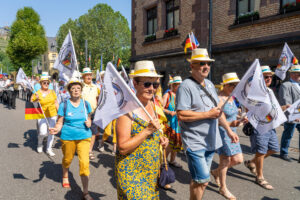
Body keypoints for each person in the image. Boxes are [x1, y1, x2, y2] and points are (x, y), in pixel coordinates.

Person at [176, 48, 239, 200]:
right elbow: (181, 114)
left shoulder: (210, 84)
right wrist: (207, 114)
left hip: (211, 141)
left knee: (199, 180)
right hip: (195, 141)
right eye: (201, 63)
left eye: (208, 63)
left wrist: (229, 130)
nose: (206, 66)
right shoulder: (185, 86)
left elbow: (218, 112)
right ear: (192, 66)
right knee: (203, 180)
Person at [115, 60, 169, 199]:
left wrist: (162, 140)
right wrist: (147, 131)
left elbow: (155, 132)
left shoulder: (153, 104)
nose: (152, 88)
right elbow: (122, 147)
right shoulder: (126, 110)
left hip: (151, 171)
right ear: (135, 84)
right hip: (131, 172)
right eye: (147, 84)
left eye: (155, 84)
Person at [244, 66, 289, 190]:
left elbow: (273, 107)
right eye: (266, 76)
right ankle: (259, 177)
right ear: (259, 79)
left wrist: (284, 107)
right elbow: (249, 108)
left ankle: (252, 162)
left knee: (274, 148)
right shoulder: (254, 92)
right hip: (260, 126)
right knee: (261, 151)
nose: (269, 78)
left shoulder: (269, 91)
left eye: (270, 76)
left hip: (270, 125)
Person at [49, 77, 94, 200]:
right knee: (67, 159)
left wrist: (89, 122)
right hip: (68, 137)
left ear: (81, 90)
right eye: (73, 88)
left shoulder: (86, 104)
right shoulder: (64, 105)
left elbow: (89, 117)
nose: (76, 90)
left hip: (84, 136)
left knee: (84, 163)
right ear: (69, 91)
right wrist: (57, 129)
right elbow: (60, 122)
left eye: (78, 88)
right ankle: (65, 174)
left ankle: (85, 192)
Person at [211, 72, 245, 200]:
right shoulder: (219, 99)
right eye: (231, 85)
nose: (234, 87)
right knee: (225, 160)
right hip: (223, 132)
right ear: (224, 85)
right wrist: (231, 124)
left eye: (236, 85)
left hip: (233, 131)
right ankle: (223, 188)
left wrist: (240, 119)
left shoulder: (233, 97)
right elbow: (219, 117)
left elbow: (233, 114)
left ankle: (215, 172)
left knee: (238, 159)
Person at [31, 72, 58, 156]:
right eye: (44, 83)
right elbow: (31, 101)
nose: (46, 84)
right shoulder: (37, 92)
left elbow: (56, 102)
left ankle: (49, 149)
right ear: (41, 83)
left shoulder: (52, 92)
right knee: (42, 132)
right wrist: (36, 99)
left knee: (51, 132)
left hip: (52, 113)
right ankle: (40, 144)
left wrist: (60, 113)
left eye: (47, 83)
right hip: (41, 114)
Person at [279, 65, 300, 163]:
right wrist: (294, 115)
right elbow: (286, 101)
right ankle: (284, 152)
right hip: (292, 114)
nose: (299, 75)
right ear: (291, 74)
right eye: (297, 73)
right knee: (288, 133)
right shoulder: (286, 85)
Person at [163, 76, 183, 168]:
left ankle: (172, 160)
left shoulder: (182, 96)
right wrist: (169, 112)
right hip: (169, 123)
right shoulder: (168, 95)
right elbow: (160, 108)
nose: (180, 87)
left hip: (178, 124)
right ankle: (163, 161)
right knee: (168, 144)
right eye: (178, 85)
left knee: (177, 142)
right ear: (174, 85)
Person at [81, 67, 100, 160]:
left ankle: (89, 150)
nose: (89, 77)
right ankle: (81, 149)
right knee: (83, 132)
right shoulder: (80, 86)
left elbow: (97, 98)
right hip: (83, 114)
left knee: (93, 133)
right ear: (83, 77)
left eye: (90, 75)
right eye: (87, 75)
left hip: (93, 113)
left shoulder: (95, 87)